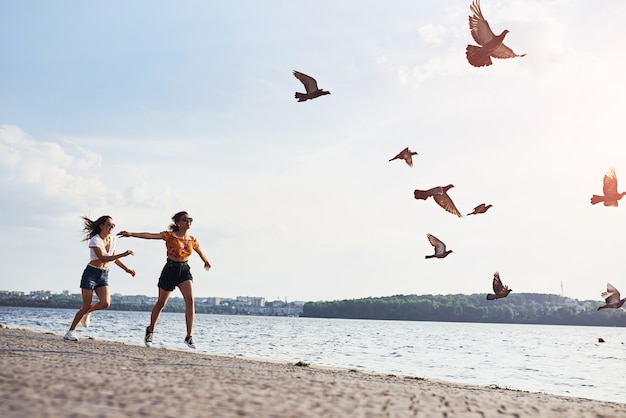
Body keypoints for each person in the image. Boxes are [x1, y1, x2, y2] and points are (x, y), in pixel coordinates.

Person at [117, 211, 211, 349]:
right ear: (178, 223)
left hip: (184, 270)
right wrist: (131, 233)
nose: (188, 222)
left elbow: (199, 251)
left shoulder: (192, 239)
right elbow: (149, 236)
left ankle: (189, 336)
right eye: (185, 220)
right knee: (161, 303)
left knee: (190, 300)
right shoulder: (169, 236)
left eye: (190, 219)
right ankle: (150, 330)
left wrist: (206, 261)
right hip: (170, 270)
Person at [64, 216, 135, 341]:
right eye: (109, 224)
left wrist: (127, 269)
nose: (111, 227)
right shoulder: (95, 240)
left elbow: (113, 258)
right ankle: (70, 331)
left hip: (103, 274)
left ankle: (86, 313)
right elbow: (102, 258)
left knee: (105, 303)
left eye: (113, 225)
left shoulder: (112, 239)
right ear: (101, 226)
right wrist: (124, 254)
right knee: (86, 305)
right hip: (91, 273)